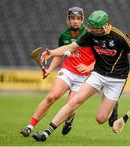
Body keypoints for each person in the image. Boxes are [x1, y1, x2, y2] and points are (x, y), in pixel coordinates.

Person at [32, 10, 130, 142]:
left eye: (95, 28)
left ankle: (112, 105)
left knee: (100, 119)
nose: (92, 30)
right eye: (91, 27)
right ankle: (46, 133)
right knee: (75, 101)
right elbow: (71, 47)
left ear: (105, 26)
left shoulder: (120, 37)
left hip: (117, 79)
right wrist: (52, 53)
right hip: (98, 74)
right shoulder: (90, 35)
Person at [20, 7, 96, 137]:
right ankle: (30, 126)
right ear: (68, 20)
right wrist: (49, 69)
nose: (75, 21)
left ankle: (69, 119)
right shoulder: (64, 36)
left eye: (78, 19)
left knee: (70, 106)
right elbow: (60, 55)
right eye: (72, 18)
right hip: (68, 70)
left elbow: (100, 56)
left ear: (82, 20)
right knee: (52, 96)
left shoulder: (89, 34)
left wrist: (89, 66)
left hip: (84, 77)